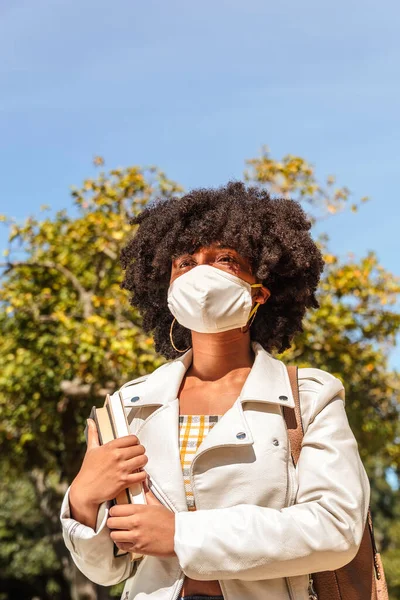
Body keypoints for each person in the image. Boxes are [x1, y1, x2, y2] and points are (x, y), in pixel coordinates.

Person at [60, 181, 370, 600]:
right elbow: (106, 569)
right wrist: (81, 500)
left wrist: (181, 535)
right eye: (185, 262)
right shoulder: (127, 405)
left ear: (260, 292)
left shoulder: (310, 397)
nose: (199, 273)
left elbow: (336, 527)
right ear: (166, 289)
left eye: (224, 259)